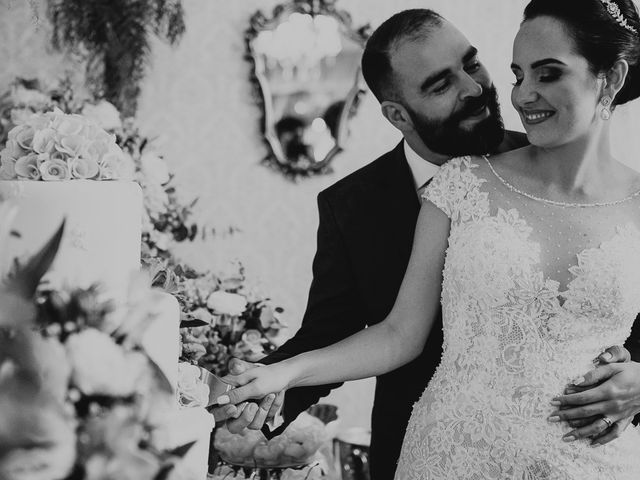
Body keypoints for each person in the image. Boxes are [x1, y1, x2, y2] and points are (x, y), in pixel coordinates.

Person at [217, 1, 640, 478]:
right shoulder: (389, 198)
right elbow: (370, 333)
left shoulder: (607, 182)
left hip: (589, 458)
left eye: (473, 63)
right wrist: (262, 387)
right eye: (441, 84)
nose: (480, 89)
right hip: (442, 448)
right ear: (398, 115)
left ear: (611, 77)